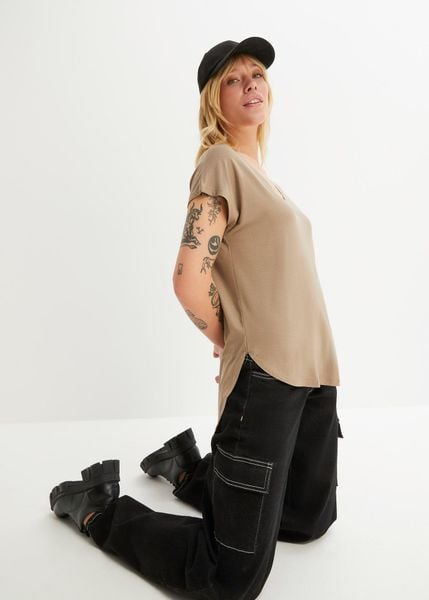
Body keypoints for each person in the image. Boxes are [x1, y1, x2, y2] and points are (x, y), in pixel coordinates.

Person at [49, 36, 344, 600]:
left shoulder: (263, 177)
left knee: (308, 519)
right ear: (214, 99)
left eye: (257, 74)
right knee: (229, 579)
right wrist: (230, 337)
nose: (250, 83)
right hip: (269, 373)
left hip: (315, 371)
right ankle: (98, 509)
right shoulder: (219, 163)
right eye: (233, 78)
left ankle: (185, 469)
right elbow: (189, 277)